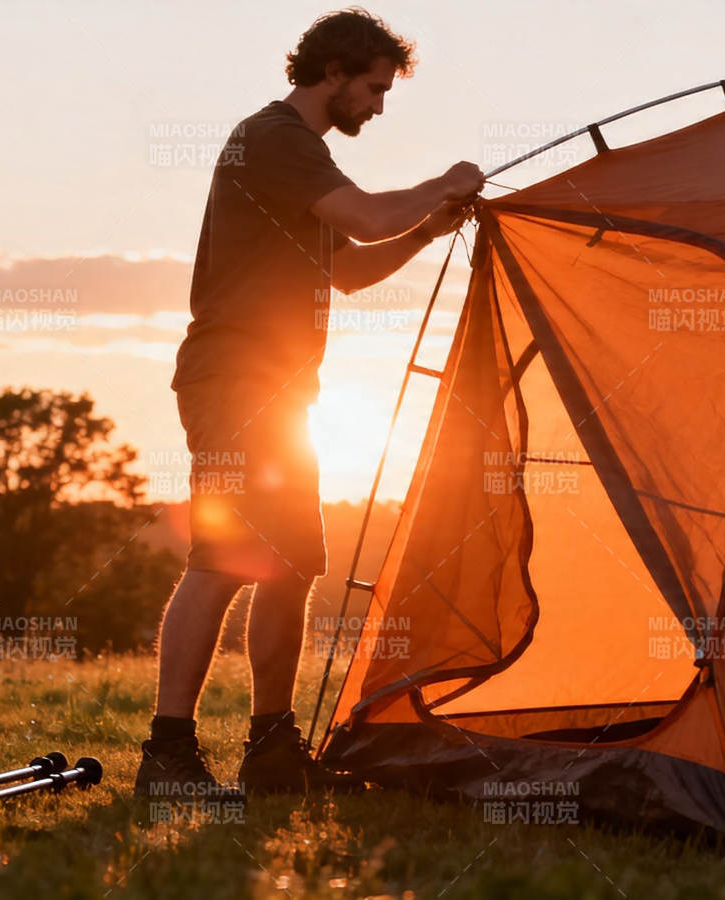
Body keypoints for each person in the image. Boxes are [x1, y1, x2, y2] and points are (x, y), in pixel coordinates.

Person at [135, 7, 485, 799]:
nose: (380, 105)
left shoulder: (300, 163)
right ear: (332, 73)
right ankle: (166, 756)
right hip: (234, 380)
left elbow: (352, 267)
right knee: (222, 560)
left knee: (290, 566)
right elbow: (367, 214)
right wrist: (444, 182)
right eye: (373, 87)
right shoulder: (272, 140)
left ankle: (272, 750)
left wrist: (430, 226)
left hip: (286, 391)